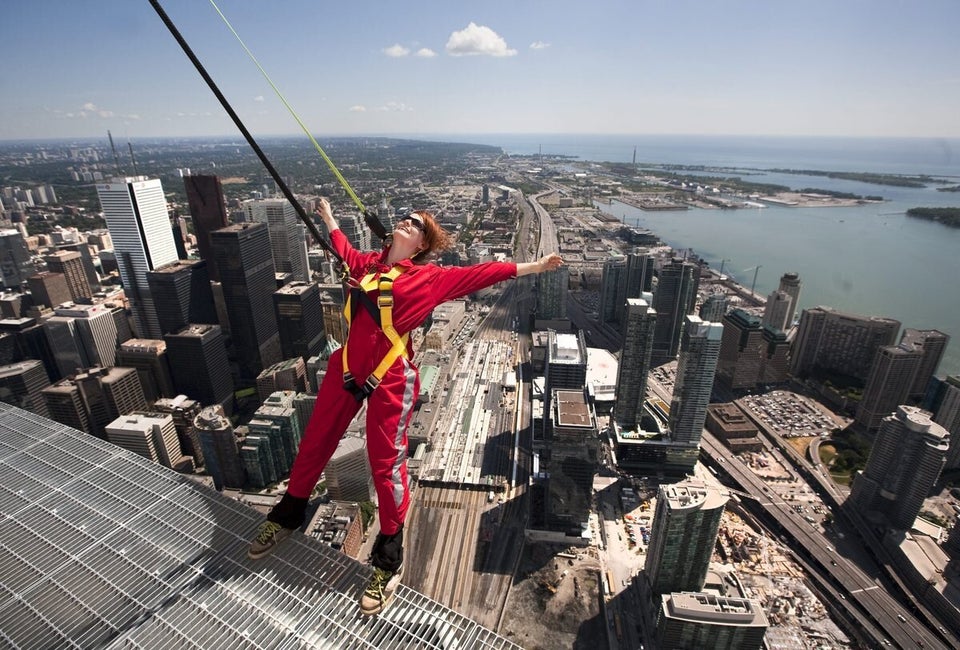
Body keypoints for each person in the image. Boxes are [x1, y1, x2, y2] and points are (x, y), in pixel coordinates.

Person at [248, 197, 563, 615]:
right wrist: (327, 216)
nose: (407, 222)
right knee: (314, 446)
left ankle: (388, 559)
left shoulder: (429, 278)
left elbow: (481, 273)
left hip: (390, 374)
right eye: (407, 218)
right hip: (346, 366)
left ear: (420, 245)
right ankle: (287, 515)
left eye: (416, 224)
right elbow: (343, 247)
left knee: (386, 466)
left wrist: (535, 267)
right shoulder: (367, 266)